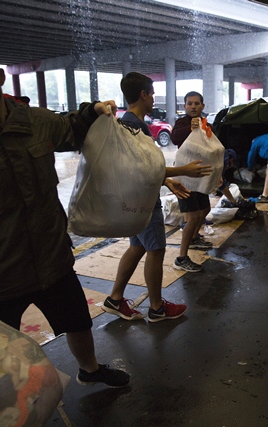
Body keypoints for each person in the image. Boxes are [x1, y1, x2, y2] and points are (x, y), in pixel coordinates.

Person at [0, 34, 129, 387]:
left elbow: (73, 128)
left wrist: (93, 111)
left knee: (78, 321)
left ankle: (89, 371)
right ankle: (9, 406)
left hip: (51, 259)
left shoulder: (36, 120)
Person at [102, 73, 212, 322]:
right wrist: (183, 170)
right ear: (143, 95)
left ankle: (115, 299)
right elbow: (142, 167)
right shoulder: (135, 125)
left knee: (138, 246)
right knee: (156, 249)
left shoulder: (127, 121)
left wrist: (167, 180)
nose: (153, 98)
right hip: (143, 199)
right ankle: (157, 308)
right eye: (151, 93)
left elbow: (138, 164)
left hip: (133, 196)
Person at [171, 91, 218, 273]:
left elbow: (212, 148)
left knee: (203, 211)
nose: (193, 106)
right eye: (189, 103)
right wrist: (189, 128)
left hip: (200, 174)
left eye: (196, 103)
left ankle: (193, 238)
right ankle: (181, 257)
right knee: (193, 216)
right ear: (184, 106)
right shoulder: (182, 123)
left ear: (202, 106)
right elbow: (175, 137)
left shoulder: (206, 125)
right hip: (185, 176)